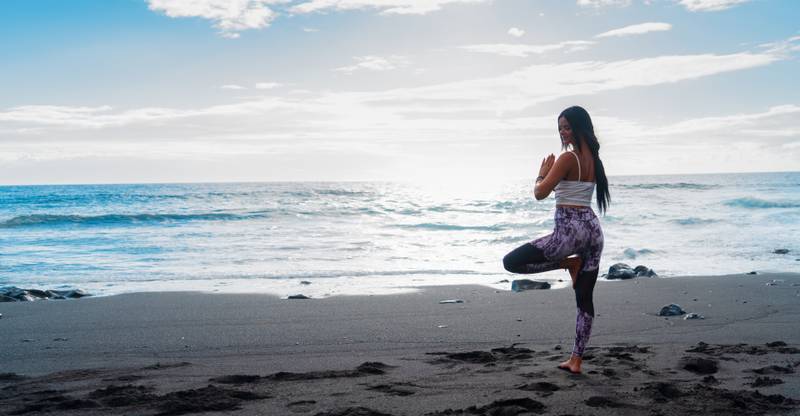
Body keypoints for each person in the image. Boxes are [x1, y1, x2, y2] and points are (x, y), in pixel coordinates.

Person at [502, 105, 610, 374]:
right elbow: (572, 192)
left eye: (567, 127)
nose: (563, 132)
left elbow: (540, 193)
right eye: (560, 128)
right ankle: (576, 360)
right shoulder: (594, 160)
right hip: (593, 232)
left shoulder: (567, 158)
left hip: (569, 235)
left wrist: (541, 173)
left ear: (579, 128)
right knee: (584, 299)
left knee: (511, 262)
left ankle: (568, 264)